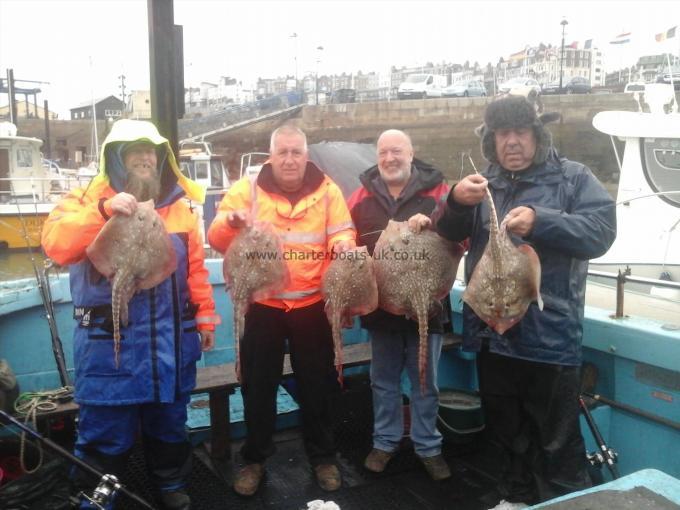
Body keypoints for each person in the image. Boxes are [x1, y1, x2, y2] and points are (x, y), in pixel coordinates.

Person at [434, 96, 616, 508]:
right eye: (503, 134)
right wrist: (457, 202)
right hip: (492, 331)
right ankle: (513, 498)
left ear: (537, 135)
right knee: (505, 430)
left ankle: (563, 502)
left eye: (520, 132)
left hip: (549, 335)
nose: (511, 142)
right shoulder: (484, 184)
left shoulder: (573, 179)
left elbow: (601, 232)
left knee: (556, 438)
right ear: (492, 141)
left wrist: (542, 221)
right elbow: (449, 233)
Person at [41, 119, 219, 510]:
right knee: (105, 433)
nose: (144, 159)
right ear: (115, 159)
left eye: (151, 152)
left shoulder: (181, 209)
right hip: (110, 347)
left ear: (162, 159)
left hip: (170, 345)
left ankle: (170, 484)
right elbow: (56, 244)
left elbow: (196, 270)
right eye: (133, 152)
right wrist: (103, 212)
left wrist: (205, 317)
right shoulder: (84, 201)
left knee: (170, 424)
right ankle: (96, 496)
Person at [207, 124, 355, 496]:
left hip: (311, 303)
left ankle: (323, 457)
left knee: (317, 384)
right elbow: (216, 237)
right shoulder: (247, 189)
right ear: (270, 156)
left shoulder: (328, 190)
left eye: (296, 152)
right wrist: (231, 223)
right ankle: (254, 459)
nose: (289, 159)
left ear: (306, 156)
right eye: (283, 152)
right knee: (258, 386)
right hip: (261, 304)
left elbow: (342, 230)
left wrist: (341, 245)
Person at [347, 129, 453, 481]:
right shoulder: (360, 197)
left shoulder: (438, 192)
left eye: (397, 151)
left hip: (428, 301)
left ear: (411, 154)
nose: (390, 158)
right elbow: (346, 240)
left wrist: (434, 223)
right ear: (377, 157)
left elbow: (460, 236)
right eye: (383, 153)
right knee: (384, 380)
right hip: (382, 308)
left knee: (425, 380)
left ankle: (428, 446)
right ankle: (386, 441)